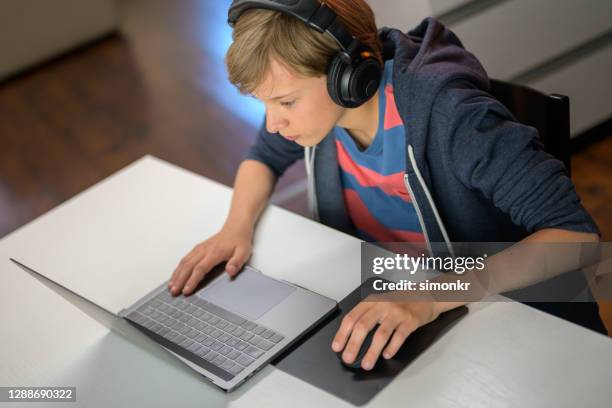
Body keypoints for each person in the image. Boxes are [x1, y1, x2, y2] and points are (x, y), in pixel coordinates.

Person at [168, 0, 607, 370]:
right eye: (265, 103)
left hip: (505, 320)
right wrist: (236, 227)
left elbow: (577, 238)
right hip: (398, 303)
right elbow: (263, 157)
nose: (273, 122)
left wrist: (431, 295)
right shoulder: (314, 115)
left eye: (285, 102)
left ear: (349, 78)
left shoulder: (453, 117)